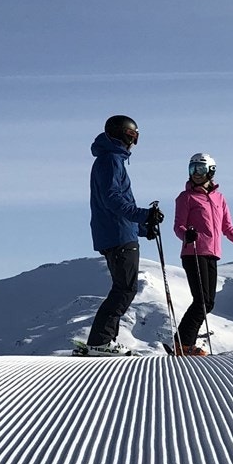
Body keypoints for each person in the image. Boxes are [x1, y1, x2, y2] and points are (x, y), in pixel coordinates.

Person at [172, 152, 233, 355]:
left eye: (200, 169)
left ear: (211, 171)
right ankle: (183, 345)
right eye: (192, 169)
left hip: (212, 254)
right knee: (201, 301)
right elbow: (178, 226)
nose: (196, 174)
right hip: (193, 252)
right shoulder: (185, 197)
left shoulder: (219, 198)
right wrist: (186, 235)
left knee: (209, 302)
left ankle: (183, 343)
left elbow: (228, 229)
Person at [83, 114, 163, 352]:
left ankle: (105, 341)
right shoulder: (110, 160)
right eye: (132, 136)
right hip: (117, 236)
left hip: (117, 233)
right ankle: (100, 341)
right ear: (119, 135)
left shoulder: (111, 159)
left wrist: (142, 228)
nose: (133, 143)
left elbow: (118, 202)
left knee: (122, 288)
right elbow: (113, 199)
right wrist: (144, 215)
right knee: (124, 289)